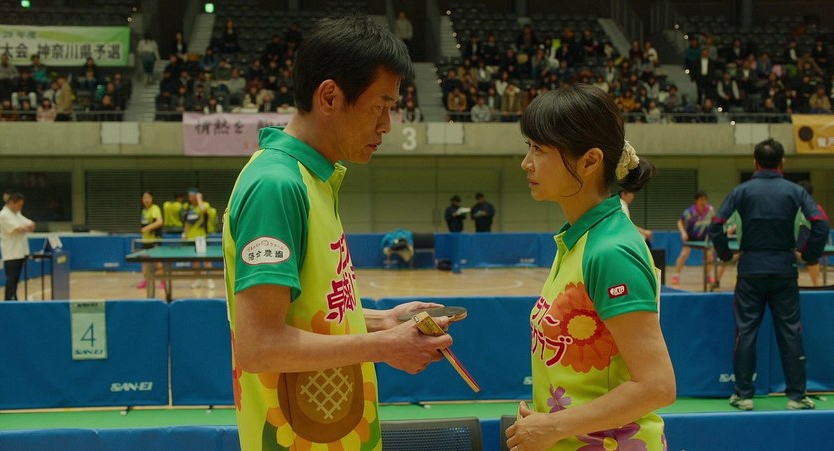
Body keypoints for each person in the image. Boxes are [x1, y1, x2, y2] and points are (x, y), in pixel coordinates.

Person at [222, 16, 453, 451]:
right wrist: (384, 346)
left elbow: (307, 313)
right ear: (329, 96)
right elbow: (259, 345)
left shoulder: (314, 180)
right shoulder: (277, 186)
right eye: (380, 106)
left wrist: (381, 321)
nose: (387, 124)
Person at [506, 85, 675, 450]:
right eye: (528, 147)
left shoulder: (611, 251)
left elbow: (657, 385)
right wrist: (545, 418)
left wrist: (552, 426)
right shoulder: (577, 240)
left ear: (589, 161)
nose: (527, 163)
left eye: (540, 149)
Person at [709, 138, 829, 411]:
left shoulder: (741, 191)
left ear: (755, 163)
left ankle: (743, 395)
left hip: (749, 272)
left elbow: (716, 225)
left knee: (746, 332)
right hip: (785, 272)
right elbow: (820, 223)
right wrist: (809, 255)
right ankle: (796, 397)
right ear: (782, 163)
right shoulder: (796, 191)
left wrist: (726, 255)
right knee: (790, 332)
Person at [671, 191, 725, 287]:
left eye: (705, 199)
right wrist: (683, 232)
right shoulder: (690, 211)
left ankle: (708, 275)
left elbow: (713, 221)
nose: (704, 202)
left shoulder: (710, 210)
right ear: (696, 200)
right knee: (684, 254)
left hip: (705, 237)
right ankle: (676, 275)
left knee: (710, 257)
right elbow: (680, 222)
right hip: (691, 237)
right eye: (701, 199)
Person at [0, 193, 35, 301]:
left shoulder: (17, 214)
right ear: (11, 203)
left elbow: (30, 224)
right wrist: (25, 228)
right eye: (18, 205)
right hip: (11, 253)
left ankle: (13, 298)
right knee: (11, 279)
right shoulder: (3, 215)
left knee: (16, 280)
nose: (20, 208)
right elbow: (16, 229)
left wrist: (25, 227)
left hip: (20, 251)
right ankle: (9, 299)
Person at [796, 181, 829, 287]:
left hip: (804, 248)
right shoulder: (816, 208)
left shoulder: (813, 209)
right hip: (801, 249)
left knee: (816, 281)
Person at [182, 188, 215, 290]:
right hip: (191, 238)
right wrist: (185, 234)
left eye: (193, 196)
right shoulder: (187, 207)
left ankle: (210, 280)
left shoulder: (205, 205)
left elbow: (204, 211)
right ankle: (198, 279)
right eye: (190, 196)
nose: (191, 198)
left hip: (201, 238)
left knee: (206, 260)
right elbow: (186, 222)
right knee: (195, 261)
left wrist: (199, 199)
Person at [138, 191, 164, 291]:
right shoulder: (144, 211)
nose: (146, 200)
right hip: (145, 240)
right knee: (145, 262)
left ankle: (162, 281)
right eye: (144, 198)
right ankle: (146, 281)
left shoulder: (155, 208)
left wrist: (147, 228)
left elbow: (159, 222)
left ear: (152, 198)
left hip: (154, 239)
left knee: (157, 261)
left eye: (148, 197)